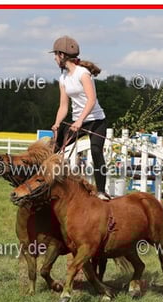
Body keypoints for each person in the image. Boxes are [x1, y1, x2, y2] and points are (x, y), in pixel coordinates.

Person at [50, 35, 109, 200]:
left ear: (62, 55)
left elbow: (91, 100)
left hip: (96, 120)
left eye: (55, 55)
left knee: (96, 151)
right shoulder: (63, 79)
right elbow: (63, 106)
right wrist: (57, 123)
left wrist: (80, 120)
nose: (54, 59)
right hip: (78, 121)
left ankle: (101, 191)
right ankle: (48, 185)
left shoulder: (83, 73)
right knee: (54, 149)